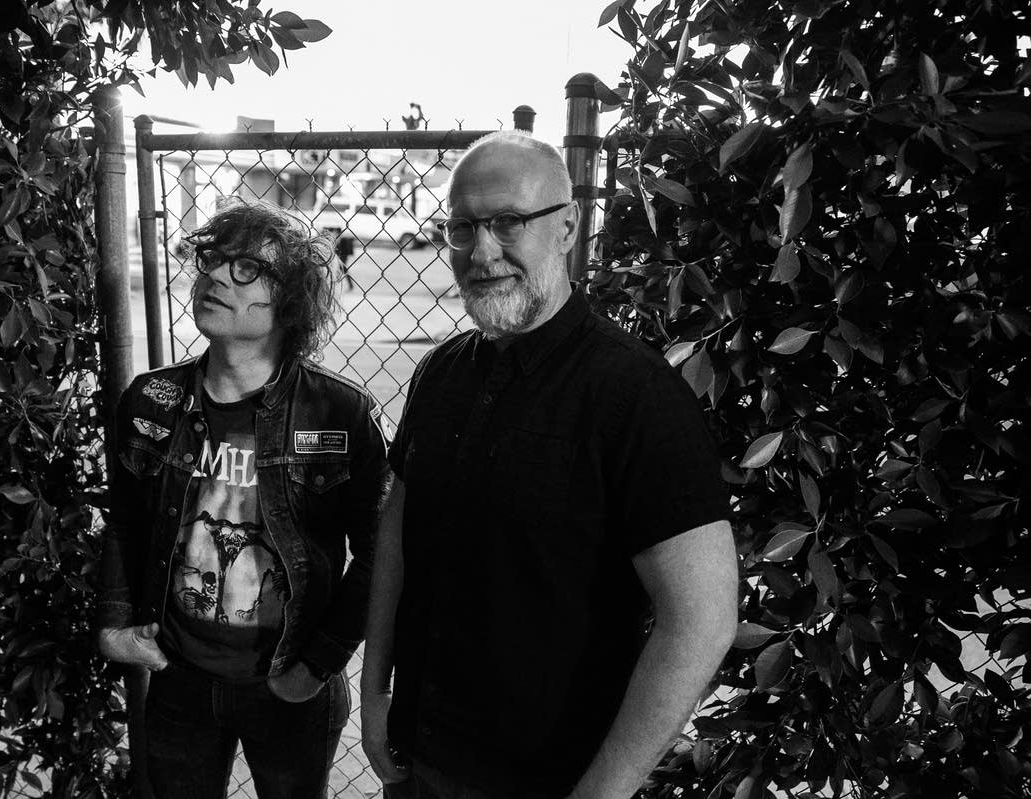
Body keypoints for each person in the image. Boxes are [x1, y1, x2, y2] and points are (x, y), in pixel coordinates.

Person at [361, 131, 739, 799]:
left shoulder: (634, 394)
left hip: (549, 778)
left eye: (508, 221)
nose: (482, 252)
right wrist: (374, 692)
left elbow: (702, 617)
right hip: (418, 754)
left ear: (566, 227)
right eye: (462, 227)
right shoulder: (440, 373)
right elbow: (398, 532)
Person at [96, 200, 390, 799]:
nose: (215, 275)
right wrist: (113, 626)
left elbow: (381, 552)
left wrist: (317, 665)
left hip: (288, 682)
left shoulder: (339, 413)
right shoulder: (151, 402)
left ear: (291, 300)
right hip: (177, 675)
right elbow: (125, 521)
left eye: (247, 268)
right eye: (212, 258)